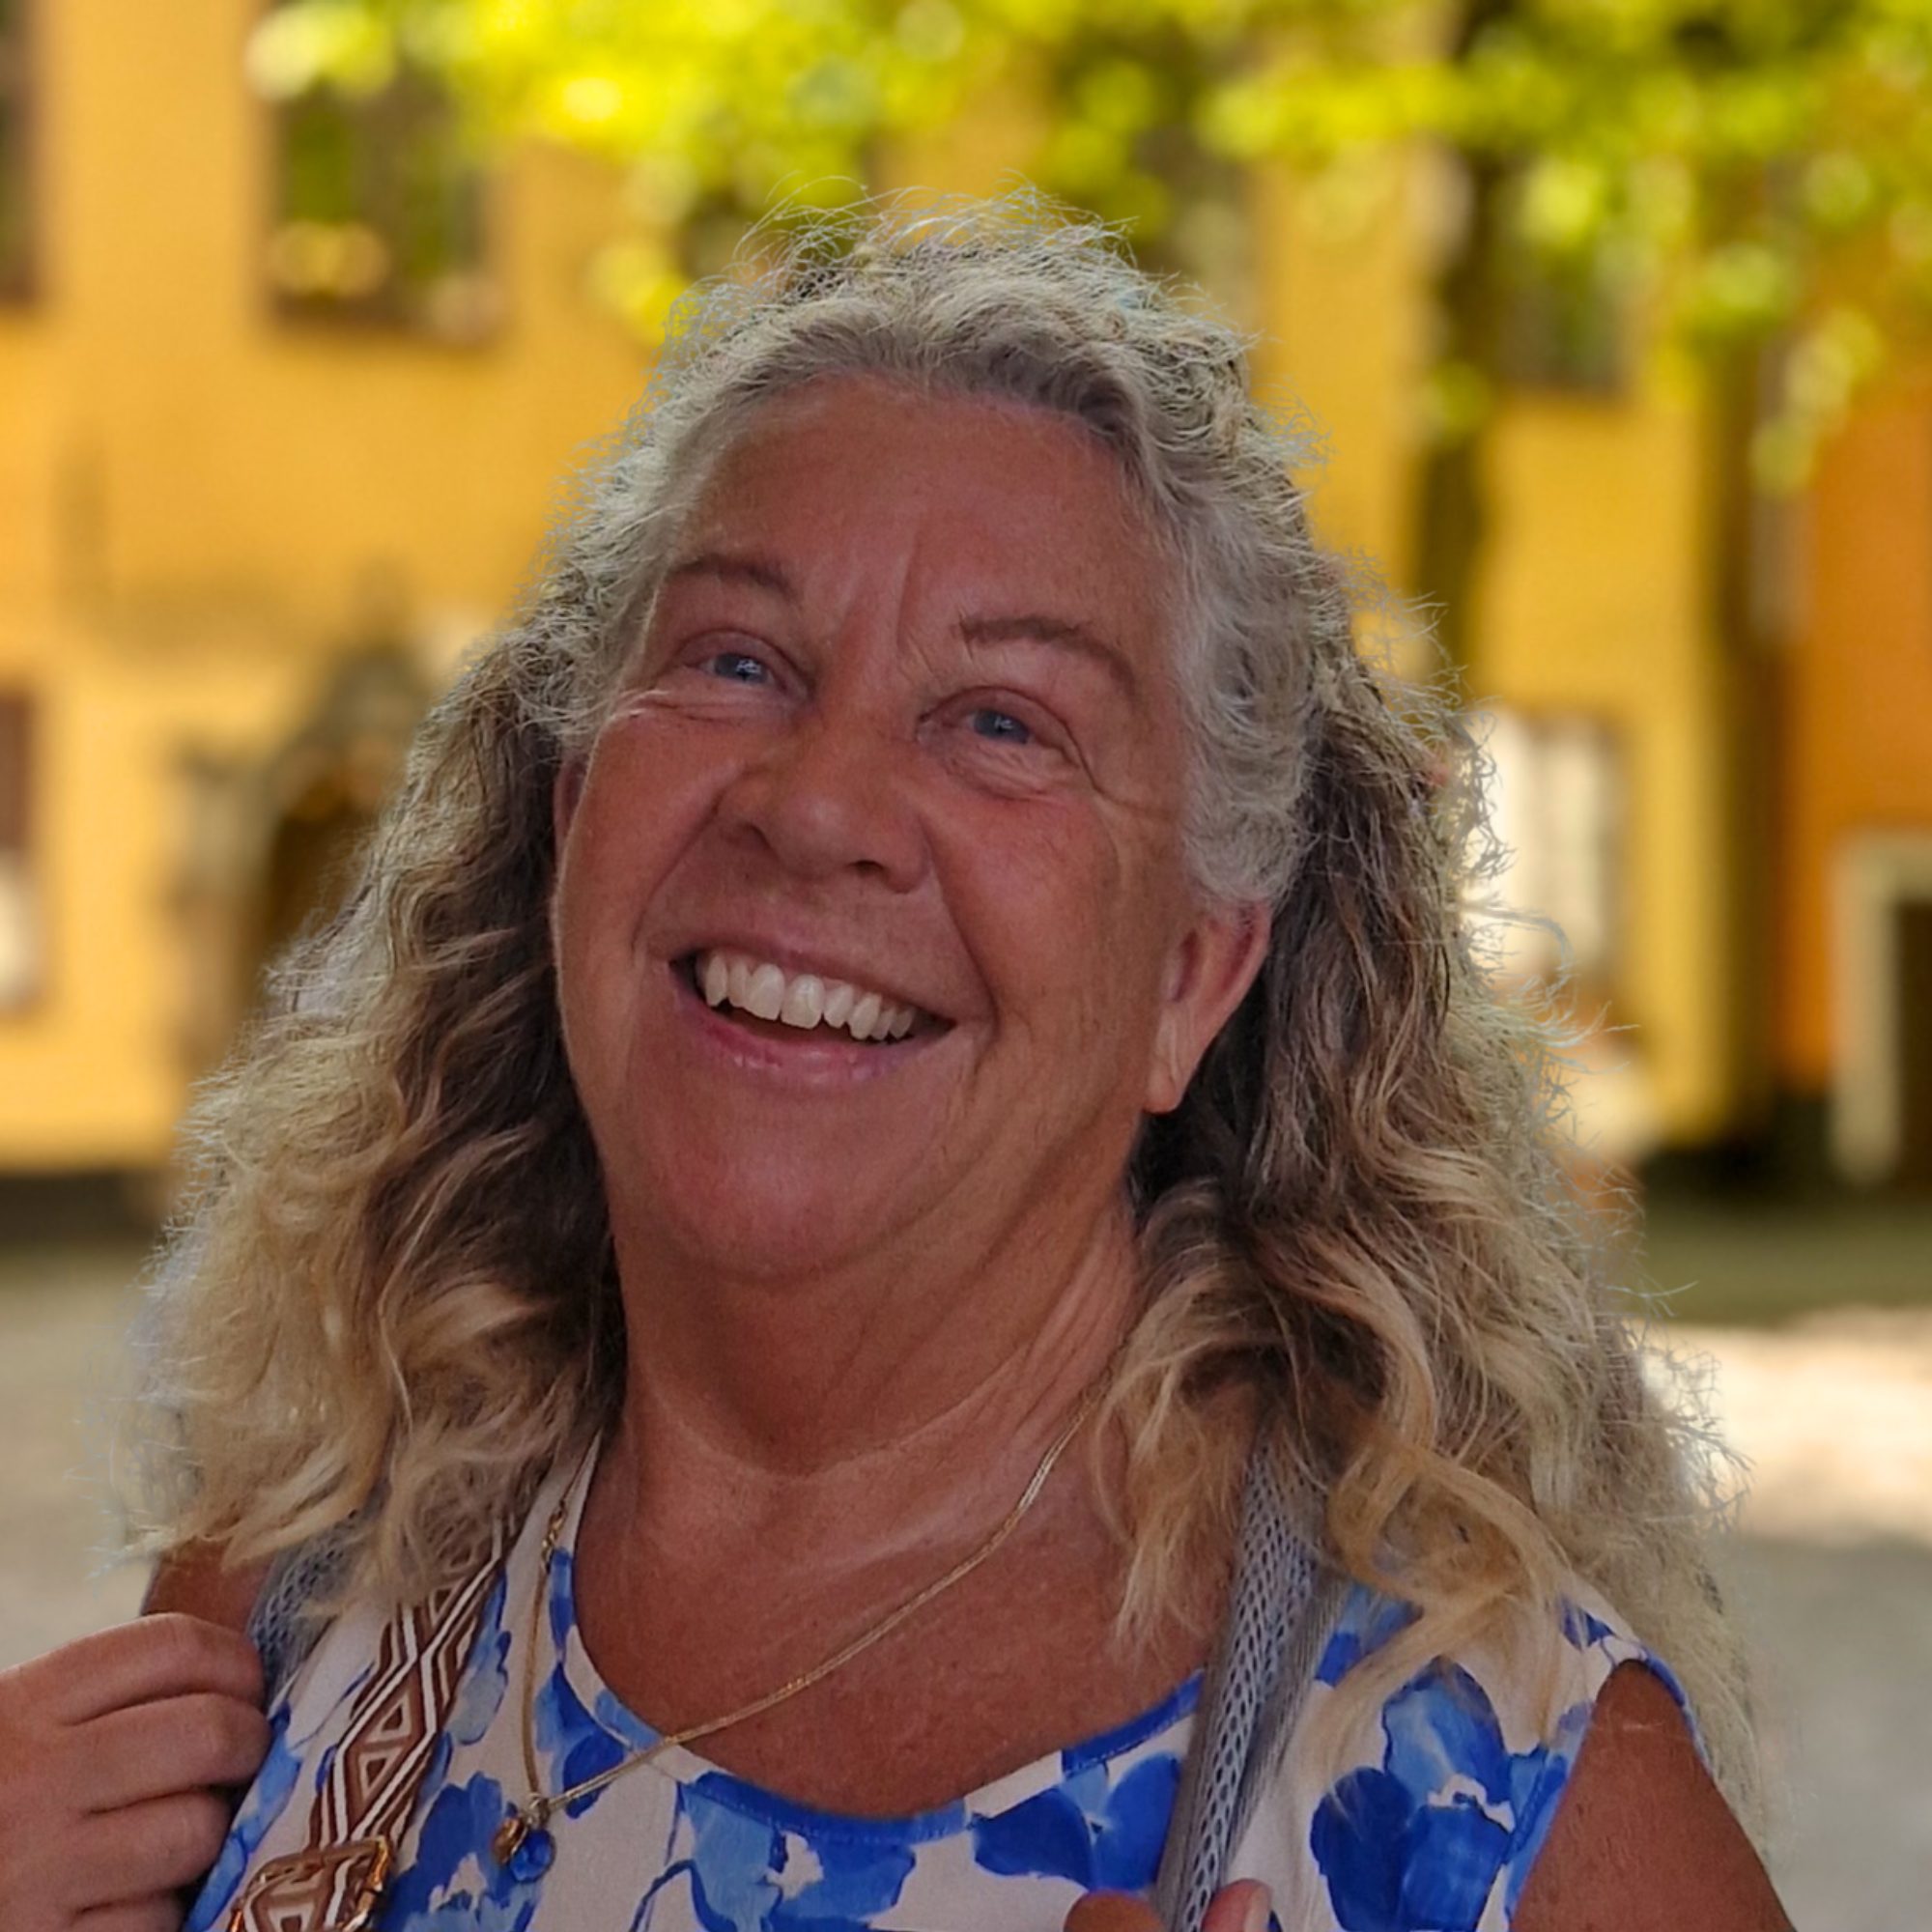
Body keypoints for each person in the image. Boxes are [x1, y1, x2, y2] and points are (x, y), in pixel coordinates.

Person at [0, 194, 1792, 1932]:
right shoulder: (309, 1590)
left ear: (1191, 975)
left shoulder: (1480, 1796)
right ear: (574, 815)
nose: (819, 804)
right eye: (736, 660)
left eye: (1004, 721)